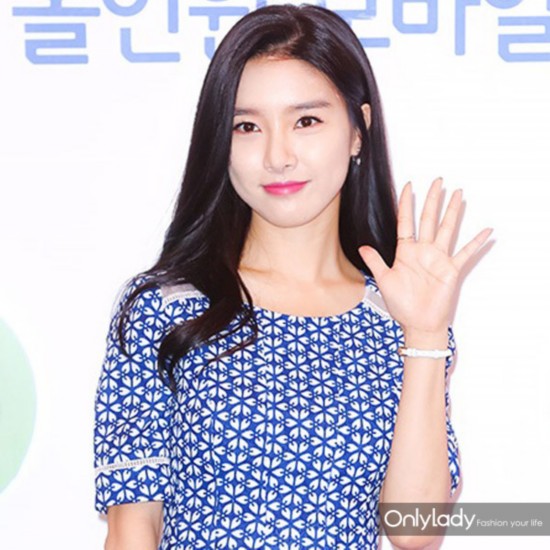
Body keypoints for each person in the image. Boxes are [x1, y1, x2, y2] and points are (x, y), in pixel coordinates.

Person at [93, 3, 492, 549]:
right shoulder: (166, 307)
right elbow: (132, 528)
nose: (277, 156)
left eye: (306, 121)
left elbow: (414, 531)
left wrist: (424, 335)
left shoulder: (397, 314)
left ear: (358, 130)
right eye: (247, 126)